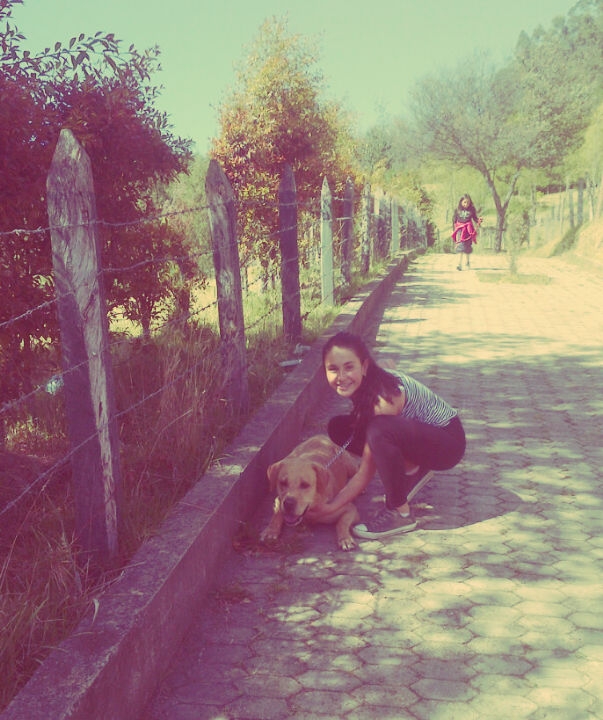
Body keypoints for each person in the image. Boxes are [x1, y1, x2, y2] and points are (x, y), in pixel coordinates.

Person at [319, 332, 466, 539]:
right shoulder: (371, 377)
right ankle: (413, 469)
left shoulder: (383, 401)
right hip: (422, 435)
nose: (341, 377)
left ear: (364, 366)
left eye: (349, 367)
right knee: (339, 427)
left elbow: (365, 473)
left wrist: (330, 507)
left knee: (378, 431)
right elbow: (387, 363)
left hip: (448, 443)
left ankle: (400, 513)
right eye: (333, 369)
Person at [452, 194, 482, 270]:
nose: (466, 204)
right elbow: (454, 220)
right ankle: (459, 264)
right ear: (461, 202)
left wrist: (479, 220)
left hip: (468, 230)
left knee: (467, 246)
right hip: (460, 230)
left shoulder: (472, 210)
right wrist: (454, 230)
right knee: (460, 246)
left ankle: (467, 262)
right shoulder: (457, 210)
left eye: (468, 202)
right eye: (464, 202)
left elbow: (475, 218)